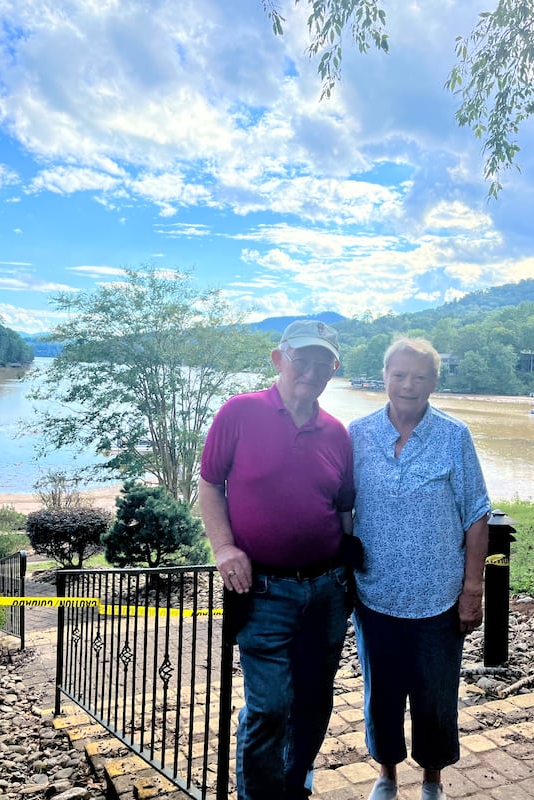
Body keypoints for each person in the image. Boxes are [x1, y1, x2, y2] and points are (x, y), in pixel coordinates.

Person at [198, 319, 354, 800]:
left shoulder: (336, 433)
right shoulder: (239, 413)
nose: (310, 369)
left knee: (314, 699)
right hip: (262, 590)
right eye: (300, 357)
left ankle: (294, 784)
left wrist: (349, 570)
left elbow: (344, 506)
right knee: (268, 706)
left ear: (334, 369)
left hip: (327, 590)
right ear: (277, 358)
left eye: (321, 361)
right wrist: (224, 548)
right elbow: (209, 484)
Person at [348, 337, 490, 800]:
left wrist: (473, 590)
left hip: (438, 597)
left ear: (434, 381)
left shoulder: (454, 435)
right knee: (381, 694)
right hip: (375, 593)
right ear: (385, 376)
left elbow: (476, 515)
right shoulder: (357, 434)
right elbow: (342, 509)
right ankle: (386, 773)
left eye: (420, 376)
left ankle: (432, 779)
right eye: (400, 374)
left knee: (435, 697)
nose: (409, 384)